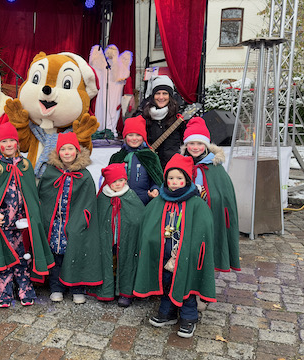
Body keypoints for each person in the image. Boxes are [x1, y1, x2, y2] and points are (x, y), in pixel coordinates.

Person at [133, 154, 216, 338]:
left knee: (185, 285)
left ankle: (189, 317)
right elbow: (148, 224)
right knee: (166, 282)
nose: (174, 182)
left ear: (186, 180)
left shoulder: (195, 203)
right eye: (171, 178)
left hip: (185, 255)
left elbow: (204, 230)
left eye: (179, 178)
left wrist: (192, 248)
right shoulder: (159, 201)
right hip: (165, 253)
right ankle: (168, 312)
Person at [0, 123, 55, 308]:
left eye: (12, 141)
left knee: (23, 257)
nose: (8, 144)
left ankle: (25, 289)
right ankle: (4, 292)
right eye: (4, 141)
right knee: (6, 257)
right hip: (3, 223)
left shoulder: (25, 165)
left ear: (17, 143)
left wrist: (32, 214)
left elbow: (31, 193)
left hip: (22, 222)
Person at [38, 132, 103, 304]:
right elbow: (44, 195)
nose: (67, 153)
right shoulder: (50, 172)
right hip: (55, 223)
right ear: (58, 152)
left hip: (75, 223)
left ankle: (77, 288)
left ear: (77, 151)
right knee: (56, 256)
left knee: (75, 254)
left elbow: (89, 201)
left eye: (70, 149)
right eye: (63, 149)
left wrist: (82, 220)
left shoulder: (84, 175)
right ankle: (56, 287)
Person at [182, 117, 240, 272]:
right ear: (186, 144)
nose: (195, 147)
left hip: (207, 213)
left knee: (205, 247)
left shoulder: (214, 167)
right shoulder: (181, 164)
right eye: (191, 143)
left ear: (206, 145)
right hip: (185, 214)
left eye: (200, 143)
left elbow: (223, 194)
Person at [89, 163, 145, 307]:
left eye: (121, 180)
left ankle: (125, 293)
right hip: (108, 238)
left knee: (127, 262)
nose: (118, 184)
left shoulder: (130, 195)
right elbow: (98, 217)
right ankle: (107, 290)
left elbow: (138, 217)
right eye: (114, 181)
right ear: (108, 182)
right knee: (108, 262)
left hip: (126, 238)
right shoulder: (102, 197)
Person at [108, 115, 163, 205]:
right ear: (125, 137)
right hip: (121, 201)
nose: (134, 138)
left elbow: (157, 179)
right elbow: (109, 180)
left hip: (144, 200)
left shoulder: (150, 156)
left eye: (138, 135)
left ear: (143, 137)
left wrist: (155, 189)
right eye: (130, 135)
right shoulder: (117, 157)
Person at [142, 75, 184, 169]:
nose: (161, 97)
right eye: (158, 93)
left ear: (170, 95)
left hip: (172, 166)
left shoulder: (178, 117)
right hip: (150, 165)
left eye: (165, 93)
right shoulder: (144, 115)